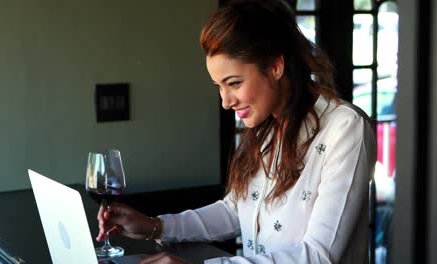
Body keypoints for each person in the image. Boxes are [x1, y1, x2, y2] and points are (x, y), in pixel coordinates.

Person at [97, 0, 376, 263]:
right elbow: (235, 210)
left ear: (275, 67)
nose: (226, 101)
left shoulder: (344, 128)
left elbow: (319, 256)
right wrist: (155, 226)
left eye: (234, 83)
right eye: (219, 86)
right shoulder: (265, 126)